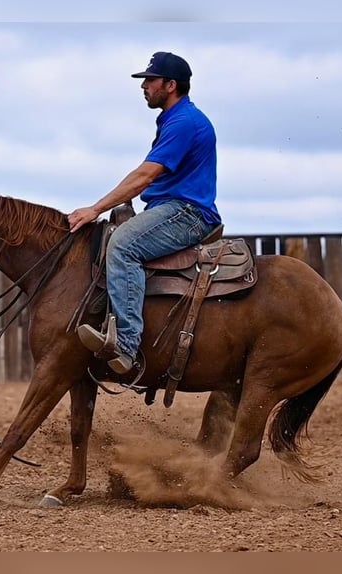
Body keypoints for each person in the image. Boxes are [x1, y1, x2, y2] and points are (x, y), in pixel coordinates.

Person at [68, 51, 221, 374]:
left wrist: (95, 208)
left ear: (171, 85)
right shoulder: (174, 120)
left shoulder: (184, 123)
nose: (144, 86)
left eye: (150, 80)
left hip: (187, 212)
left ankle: (126, 344)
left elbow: (144, 176)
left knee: (122, 245)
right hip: (171, 207)